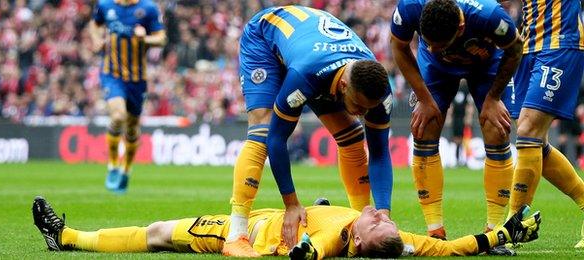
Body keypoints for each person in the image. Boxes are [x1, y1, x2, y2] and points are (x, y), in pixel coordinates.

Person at [225, 6, 395, 256]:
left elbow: (379, 154)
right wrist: (291, 204)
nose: (362, 112)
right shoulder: (306, 76)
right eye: (358, 104)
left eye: (367, 108)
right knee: (262, 130)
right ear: (345, 86)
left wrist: (383, 214)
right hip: (266, 39)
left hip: (315, 53)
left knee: (353, 136)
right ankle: (236, 235)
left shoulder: (379, 92)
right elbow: (277, 139)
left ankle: (358, 218)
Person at [32, 196, 542, 259]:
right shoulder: (395, 241)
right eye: (387, 219)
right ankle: (69, 238)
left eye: (376, 220)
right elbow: (450, 248)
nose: (384, 214)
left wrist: (297, 252)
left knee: (161, 232)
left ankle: (68, 239)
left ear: (358, 240)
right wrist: (502, 233)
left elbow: (314, 250)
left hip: (251, 233)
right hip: (270, 225)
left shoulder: (336, 239)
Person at [390, 0, 522, 239]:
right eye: (427, 43)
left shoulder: (490, 15)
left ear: (461, 28)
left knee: (497, 128)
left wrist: (493, 98)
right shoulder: (410, 7)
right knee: (423, 127)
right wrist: (424, 98)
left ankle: (493, 231)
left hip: (486, 65)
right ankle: (435, 230)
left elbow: (515, 48)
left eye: (438, 45)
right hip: (436, 70)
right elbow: (398, 46)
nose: (431, 48)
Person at [502, 0, 584, 248]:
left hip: (561, 40)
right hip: (528, 43)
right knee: (535, 139)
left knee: (528, 130)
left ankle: (511, 226)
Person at [88, 0, 166, 193]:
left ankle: (126, 169)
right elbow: (95, 24)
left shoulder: (148, 9)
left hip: (137, 79)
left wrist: (145, 39)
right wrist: (96, 40)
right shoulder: (106, 6)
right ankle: (113, 166)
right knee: (118, 116)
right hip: (112, 75)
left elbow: (161, 38)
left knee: (132, 129)